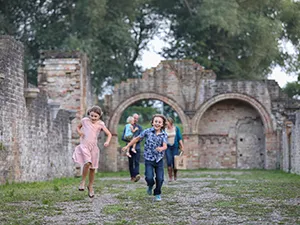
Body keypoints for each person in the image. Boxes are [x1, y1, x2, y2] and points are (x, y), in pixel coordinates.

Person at [122, 114, 168, 201]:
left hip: (159, 159)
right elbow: (136, 139)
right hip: (149, 158)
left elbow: (165, 146)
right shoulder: (147, 131)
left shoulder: (164, 134)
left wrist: (161, 148)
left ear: (162, 124)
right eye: (155, 121)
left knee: (160, 178)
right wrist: (128, 146)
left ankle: (157, 193)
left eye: (159, 122)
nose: (157, 123)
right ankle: (150, 185)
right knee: (149, 177)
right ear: (152, 123)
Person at [73, 105, 112, 198]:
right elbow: (78, 127)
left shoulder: (100, 124)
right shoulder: (84, 121)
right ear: (89, 115)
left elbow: (109, 134)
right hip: (84, 146)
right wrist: (80, 132)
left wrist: (107, 141)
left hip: (94, 148)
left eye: (95, 116)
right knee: (87, 163)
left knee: (93, 168)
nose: (93, 118)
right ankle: (82, 181)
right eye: (91, 115)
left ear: (99, 116)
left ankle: (90, 186)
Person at [122, 113, 143, 182]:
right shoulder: (127, 126)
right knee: (131, 162)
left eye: (137, 118)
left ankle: (137, 174)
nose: (136, 119)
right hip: (129, 146)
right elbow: (123, 137)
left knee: (136, 161)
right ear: (132, 118)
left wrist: (136, 140)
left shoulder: (139, 128)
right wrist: (129, 140)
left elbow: (141, 137)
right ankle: (132, 176)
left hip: (137, 147)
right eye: (134, 118)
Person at [165, 117, 184, 182]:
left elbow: (179, 138)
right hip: (167, 147)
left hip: (175, 147)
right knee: (169, 161)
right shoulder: (164, 130)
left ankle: (175, 174)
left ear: (170, 122)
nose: (166, 123)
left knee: (175, 163)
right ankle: (170, 177)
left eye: (167, 121)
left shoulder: (176, 129)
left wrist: (182, 146)